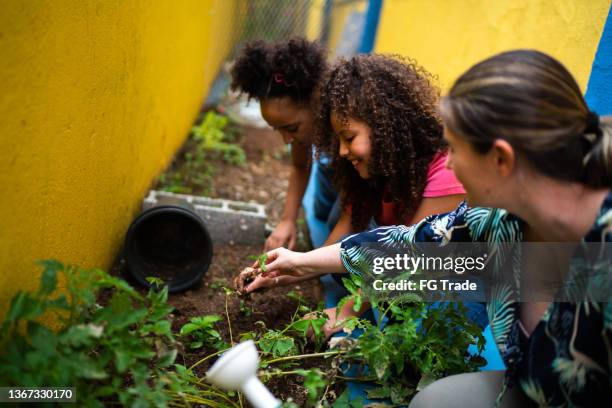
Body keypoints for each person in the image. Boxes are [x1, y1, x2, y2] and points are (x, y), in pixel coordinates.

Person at [249, 49, 612, 406]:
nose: (449, 164)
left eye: (454, 149)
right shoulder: (498, 220)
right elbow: (411, 242)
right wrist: (302, 263)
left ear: (501, 159)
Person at [239, 54, 468, 335]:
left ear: (387, 127)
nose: (343, 151)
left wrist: (343, 313)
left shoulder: (445, 173)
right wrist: (288, 271)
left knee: (417, 318)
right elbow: (351, 221)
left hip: (445, 272)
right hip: (399, 256)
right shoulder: (380, 165)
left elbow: (407, 258)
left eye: (349, 138)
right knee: (346, 259)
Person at [230, 37, 337, 252]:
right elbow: (300, 166)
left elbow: (352, 212)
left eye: (291, 128)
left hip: (358, 188)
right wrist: (287, 220)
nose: (287, 140)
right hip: (330, 175)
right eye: (277, 130)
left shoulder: (343, 123)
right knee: (321, 212)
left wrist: (313, 263)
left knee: (338, 224)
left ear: (316, 104)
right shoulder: (303, 129)